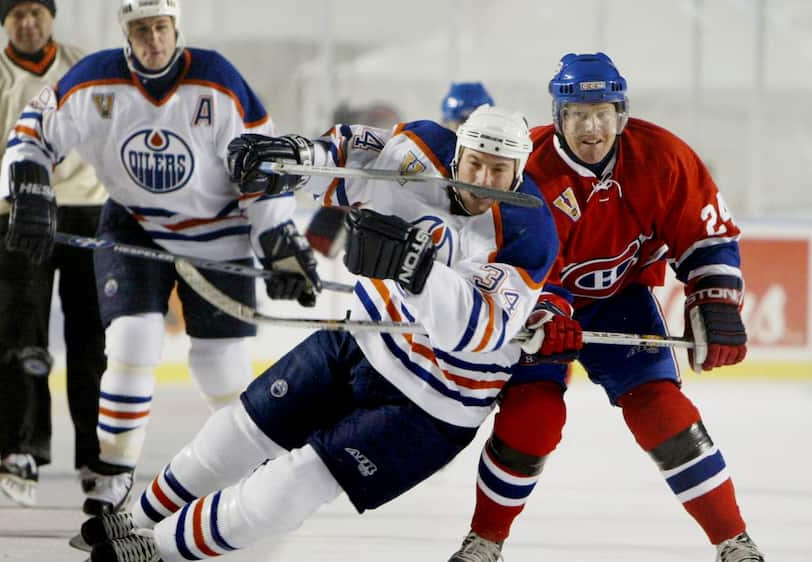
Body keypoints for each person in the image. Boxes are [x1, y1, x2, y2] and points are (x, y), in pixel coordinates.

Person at [73, 105, 561, 562]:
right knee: (238, 429)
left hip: (434, 402)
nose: (485, 181)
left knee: (287, 489)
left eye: (500, 170)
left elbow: (478, 331)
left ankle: (156, 548)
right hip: (362, 341)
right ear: (458, 153)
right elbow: (352, 154)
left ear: (519, 171)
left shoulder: (530, 231)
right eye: (476, 164)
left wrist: (417, 271)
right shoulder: (419, 147)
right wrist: (296, 160)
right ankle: (135, 518)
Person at [0, 0, 319, 516]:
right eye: (141, 29)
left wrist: (275, 238)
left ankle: (259, 464)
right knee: (132, 343)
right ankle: (114, 471)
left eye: (161, 27)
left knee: (220, 366)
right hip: (135, 227)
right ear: (127, 33)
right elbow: (31, 131)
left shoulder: (217, 80)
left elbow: (264, 165)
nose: (153, 39)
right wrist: (29, 183)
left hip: (219, 232)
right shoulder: (94, 81)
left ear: (176, 28)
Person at [447, 53, 763, 562]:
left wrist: (715, 300)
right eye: (577, 115)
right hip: (539, 300)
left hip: (622, 300)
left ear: (622, 112)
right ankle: (485, 541)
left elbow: (706, 237)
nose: (591, 128)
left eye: (603, 113)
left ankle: (735, 542)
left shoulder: (663, 157)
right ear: (558, 114)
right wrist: (544, 313)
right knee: (533, 418)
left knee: (665, 414)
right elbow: (512, 257)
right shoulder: (529, 168)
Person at [0, 0, 107, 507]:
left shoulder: (84, 70)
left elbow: (116, 138)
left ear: (51, 16)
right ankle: (21, 450)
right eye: (17, 14)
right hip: (14, 217)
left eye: (37, 10)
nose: (28, 22)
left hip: (86, 213)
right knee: (19, 340)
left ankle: (95, 456)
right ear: (4, 21)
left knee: (91, 342)